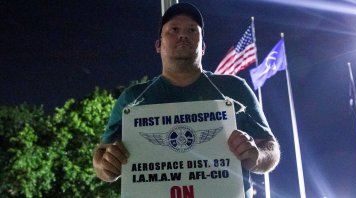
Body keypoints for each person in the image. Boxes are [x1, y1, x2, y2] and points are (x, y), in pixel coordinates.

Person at [93, 2, 280, 197]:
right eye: (173, 30)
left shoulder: (234, 88)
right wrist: (106, 164)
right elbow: (101, 158)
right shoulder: (133, 98)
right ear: (158, 45)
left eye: (192, 30)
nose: (183, 35)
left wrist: (256, 155)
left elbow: (271, 150)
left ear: (203, 47)